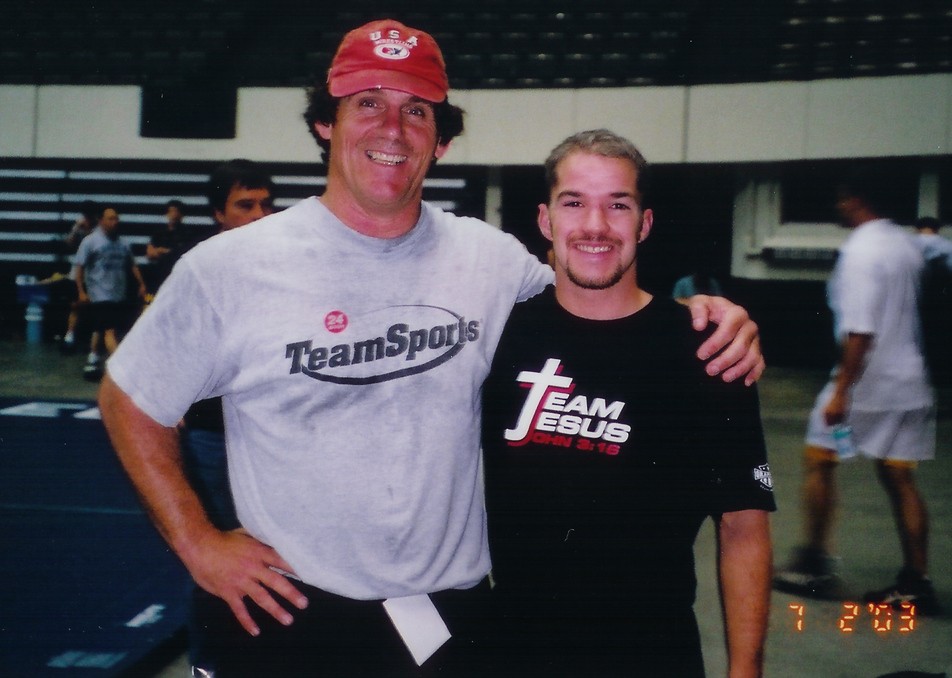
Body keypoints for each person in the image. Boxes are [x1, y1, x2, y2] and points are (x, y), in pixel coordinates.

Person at [97, 19, 764, 676]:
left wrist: (700, 316)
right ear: (326, 122)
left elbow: (596, 293)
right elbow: (130, 398)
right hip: (293, 618)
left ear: (440, 140)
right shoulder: (230, 268)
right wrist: (198, 542)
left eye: (416, 110)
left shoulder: (491, 261)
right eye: (368, 103)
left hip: (449, 627)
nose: (392, 129)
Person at [482, 130, 774, 678]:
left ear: (644, 223)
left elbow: (742, 528)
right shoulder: (500, 333)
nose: (595, 226)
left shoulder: (707, 348)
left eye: (618, 205)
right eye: (574, 203)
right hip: (513, 651)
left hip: (653, 655)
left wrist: (745, 672)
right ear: (545, 220)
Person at [773, 171, 939, 615]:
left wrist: (841, 392)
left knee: (819, 460)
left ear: (857, 200)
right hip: (910, 380)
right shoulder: (905, 245)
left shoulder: (861, 252)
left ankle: (813, 563)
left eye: (843, 198)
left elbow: (860, 330)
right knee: (900, 477)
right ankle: (917, 581)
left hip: (867, 384)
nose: (838, 206)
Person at [179, 159, 275, 670]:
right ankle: (209, 665)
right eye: (245, 205)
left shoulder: (284, 272)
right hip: (213, 441)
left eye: (266, 204)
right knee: (220, 559)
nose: (259, 215)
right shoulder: (197, 273)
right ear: (218, 213)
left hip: (272, 442)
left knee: (278, 558)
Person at [73, 205, 147, 379]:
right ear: (101, 221)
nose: (115, 222)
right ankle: (121, 365)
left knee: (101, 327)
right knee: (109, 330)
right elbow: (79, 267)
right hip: (99, 293)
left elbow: (132, 264)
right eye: (111, 218)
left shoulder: (123, 243)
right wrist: (81, 291)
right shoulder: (90, 241)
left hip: (117, 294)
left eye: (116, 218)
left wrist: (141, 283)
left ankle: (93, 358)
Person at [145, 198, 188, 293]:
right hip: (160, 277)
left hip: (178, 277)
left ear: (181, 215)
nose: (173, 214)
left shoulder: (187, 234)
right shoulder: (159, 233)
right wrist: (166, 252)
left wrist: (162, 251)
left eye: (176, 211)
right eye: (171, 211)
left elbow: (183, 254)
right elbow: (150, 254)